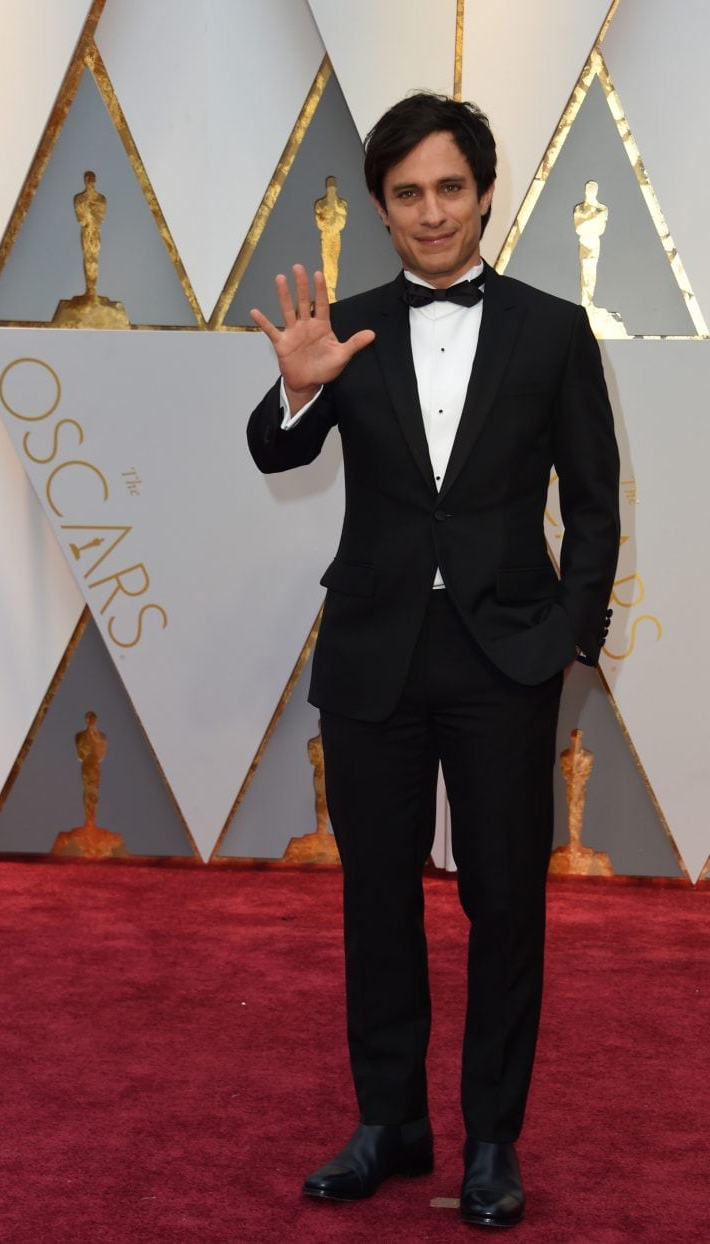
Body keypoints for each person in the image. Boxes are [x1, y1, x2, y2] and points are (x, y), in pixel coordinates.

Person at [247, 93, 620, 1230]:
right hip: (376, 653)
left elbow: (596, 506)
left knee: (507, 905)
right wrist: (297, 383)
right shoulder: (344, 324)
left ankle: (492, 1139)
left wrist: (569, 637)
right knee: (375, 899)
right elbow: (276, 450)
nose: (431, 211)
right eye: (407, 192)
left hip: (505, 655)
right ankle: (390, 1123)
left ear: (486, 191)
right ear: (379, 206)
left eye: (450, 187)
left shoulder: (554, 329)